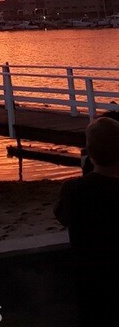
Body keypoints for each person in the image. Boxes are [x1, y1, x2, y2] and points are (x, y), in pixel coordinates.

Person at [55, 116, 119, 325]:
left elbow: (62, 216)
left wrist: (86, 174)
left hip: (89, 287)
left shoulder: (73, 190)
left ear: (89, 153)